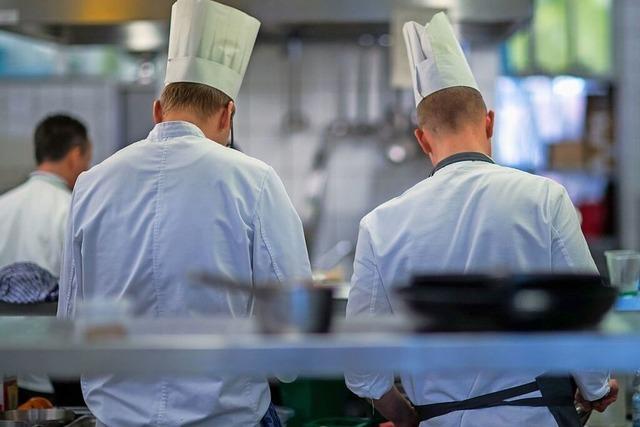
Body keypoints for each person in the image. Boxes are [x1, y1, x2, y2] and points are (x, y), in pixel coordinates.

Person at [345, 12, 617, 427]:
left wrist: (406, 416)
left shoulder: (380, 224)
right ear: (489, 122)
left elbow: (362, 367)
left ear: (422, 140)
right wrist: (597, 388)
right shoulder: (544, 197)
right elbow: (582, 316)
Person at [57, 1, 311, 426]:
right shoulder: (255, 179)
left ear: (158, 109)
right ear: (228, 114)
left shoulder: (91, 183)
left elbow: (69, 325)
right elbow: (294, 329)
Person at [0, 114, 91, 401]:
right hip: (55, 367)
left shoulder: (3, 204)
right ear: (76, 155)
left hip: (7, 364)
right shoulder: (71, 210)